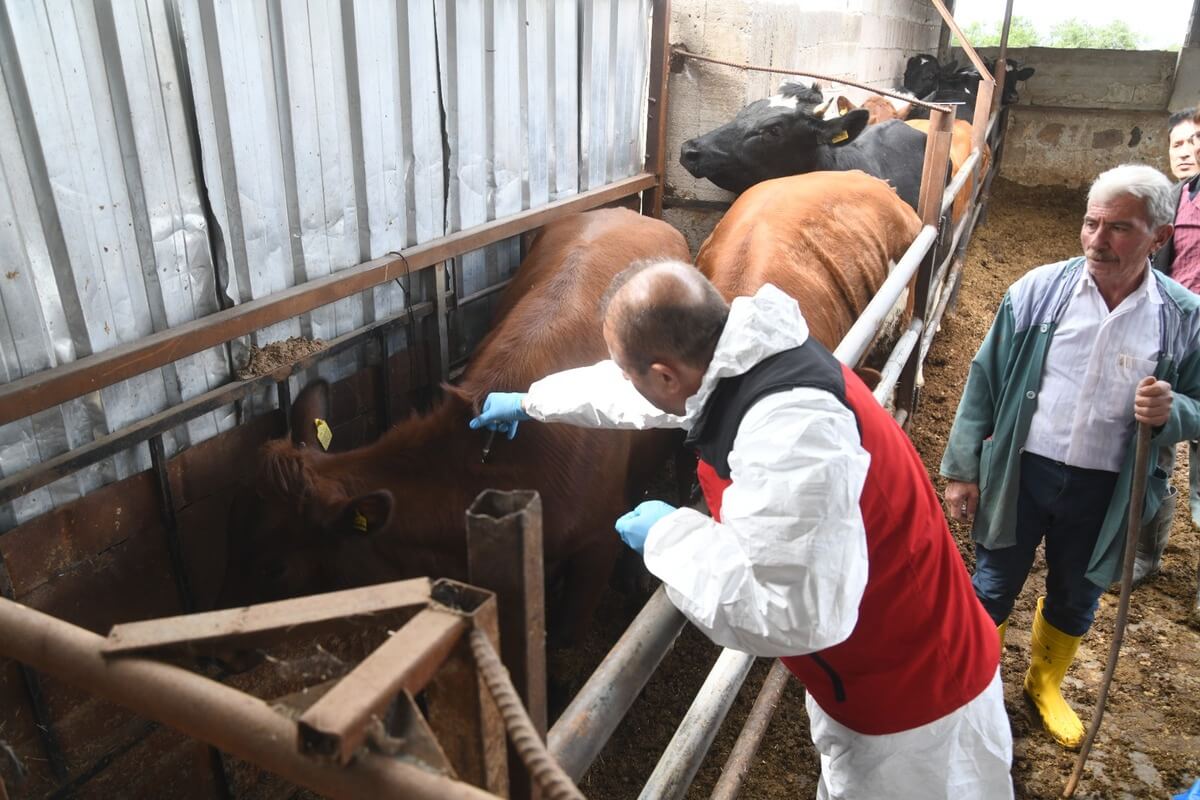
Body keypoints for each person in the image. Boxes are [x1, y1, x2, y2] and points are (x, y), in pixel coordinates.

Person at [471, 261, 1013, 799]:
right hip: (869, 675)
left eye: (628, 370)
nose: (625, 381)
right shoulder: (740, 362)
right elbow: (636, 392)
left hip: (919, 714)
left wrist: (669, 538)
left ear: (664, 375)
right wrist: (533, 400)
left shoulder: (791, 433)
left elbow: (794, 614)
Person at [941, 163, 1200, 750]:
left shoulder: (1183, 317)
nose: (1097, 240)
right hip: (1023, 470)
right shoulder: (1036, 292)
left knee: (1078, 589)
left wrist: (1175, 411)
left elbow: (1198, 406)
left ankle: (1043, 683)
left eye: (1119, 228)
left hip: (1108, 488)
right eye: (1091, 223)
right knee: (993, 579)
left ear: (1160, 237)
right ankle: (976, 684)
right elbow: (984, 380)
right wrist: (961, 469)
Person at [1140, 108, 1200, 587]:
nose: (1187, 151)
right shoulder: (1174, 198)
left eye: (1196, 140)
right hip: (1173, 336)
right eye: (1178, 144)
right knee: (1155, 443)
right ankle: (1146, 555)